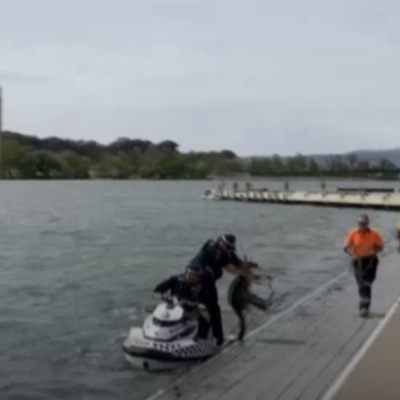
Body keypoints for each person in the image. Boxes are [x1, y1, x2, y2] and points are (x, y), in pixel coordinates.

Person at [186, 234, 250, 346]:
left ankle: (217, 337)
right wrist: (242, 273)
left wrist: (247, 267)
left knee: (212, 309)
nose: (227, 248)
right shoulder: (211, 249)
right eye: (226, 245)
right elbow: (228, 267)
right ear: (220, 241)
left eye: (229, 247)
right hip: (198, 279)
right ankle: (207, 336)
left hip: (208, 282)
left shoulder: (226, 251)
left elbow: (236, 261)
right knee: (207, 308)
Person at [343, 214, 384, 317]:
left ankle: (364, 307)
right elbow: (346, 247)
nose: (362, 226)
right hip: (358, 261)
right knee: (362, 285)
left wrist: (372, 252)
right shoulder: (353, 233)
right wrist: (352, 254)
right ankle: (364, 307)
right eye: (360, 224)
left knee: (367, 283)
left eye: (364, 224)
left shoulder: (374, 234)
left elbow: (380, 247)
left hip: (371, 261)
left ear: (367, 224)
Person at [153, 265, 209, 339]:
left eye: (198, 276)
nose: (196, 278)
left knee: (205, 323)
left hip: (191, 309)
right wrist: (161, 295)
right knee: (158, 318)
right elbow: (158, 289)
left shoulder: (202, 285)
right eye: (194, 275)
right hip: (173, 306)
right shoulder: (176, 279)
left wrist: (201, 305)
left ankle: (201, 340)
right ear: (187, 273)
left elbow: (207, 300)